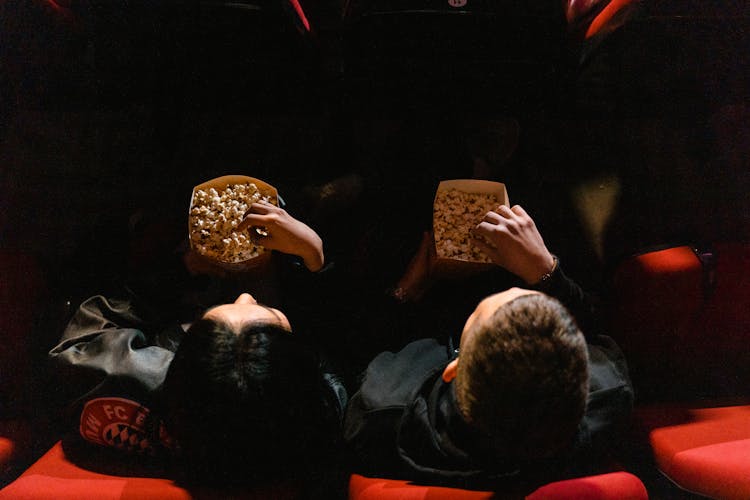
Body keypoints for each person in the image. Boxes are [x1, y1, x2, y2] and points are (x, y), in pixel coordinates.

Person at [48, 201, 348, 492]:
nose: (245, 295)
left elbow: (79, 343)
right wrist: (314, 258)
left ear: (177, 363)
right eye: (267, 314)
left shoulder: (139, 383)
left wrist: (183, 268)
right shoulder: (324, 408)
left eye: (205, 325)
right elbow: (344, 340)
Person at [343, 204, 634, 492]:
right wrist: (545, 270)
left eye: (479, 313)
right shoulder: (610, 393)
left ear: (454, 370)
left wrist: (408, 289)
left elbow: (361, 352)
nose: (515, 290)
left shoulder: (382, 412)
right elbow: (593, 330)